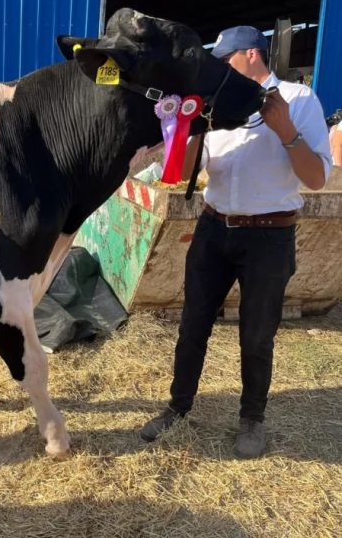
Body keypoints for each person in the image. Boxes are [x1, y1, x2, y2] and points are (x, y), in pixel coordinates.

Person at [139, 25, 332, 458]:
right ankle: (177, 407)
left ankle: (251, 418)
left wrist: (285, 131)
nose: (221, 67)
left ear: (250, 55)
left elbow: (317, 178)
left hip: (269, 237)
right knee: (192, 327)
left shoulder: (298, 101)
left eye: (225, 59)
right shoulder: (219, 106)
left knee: (257, 335)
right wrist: (188, 127)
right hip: (214, 228)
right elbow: (185, 170)